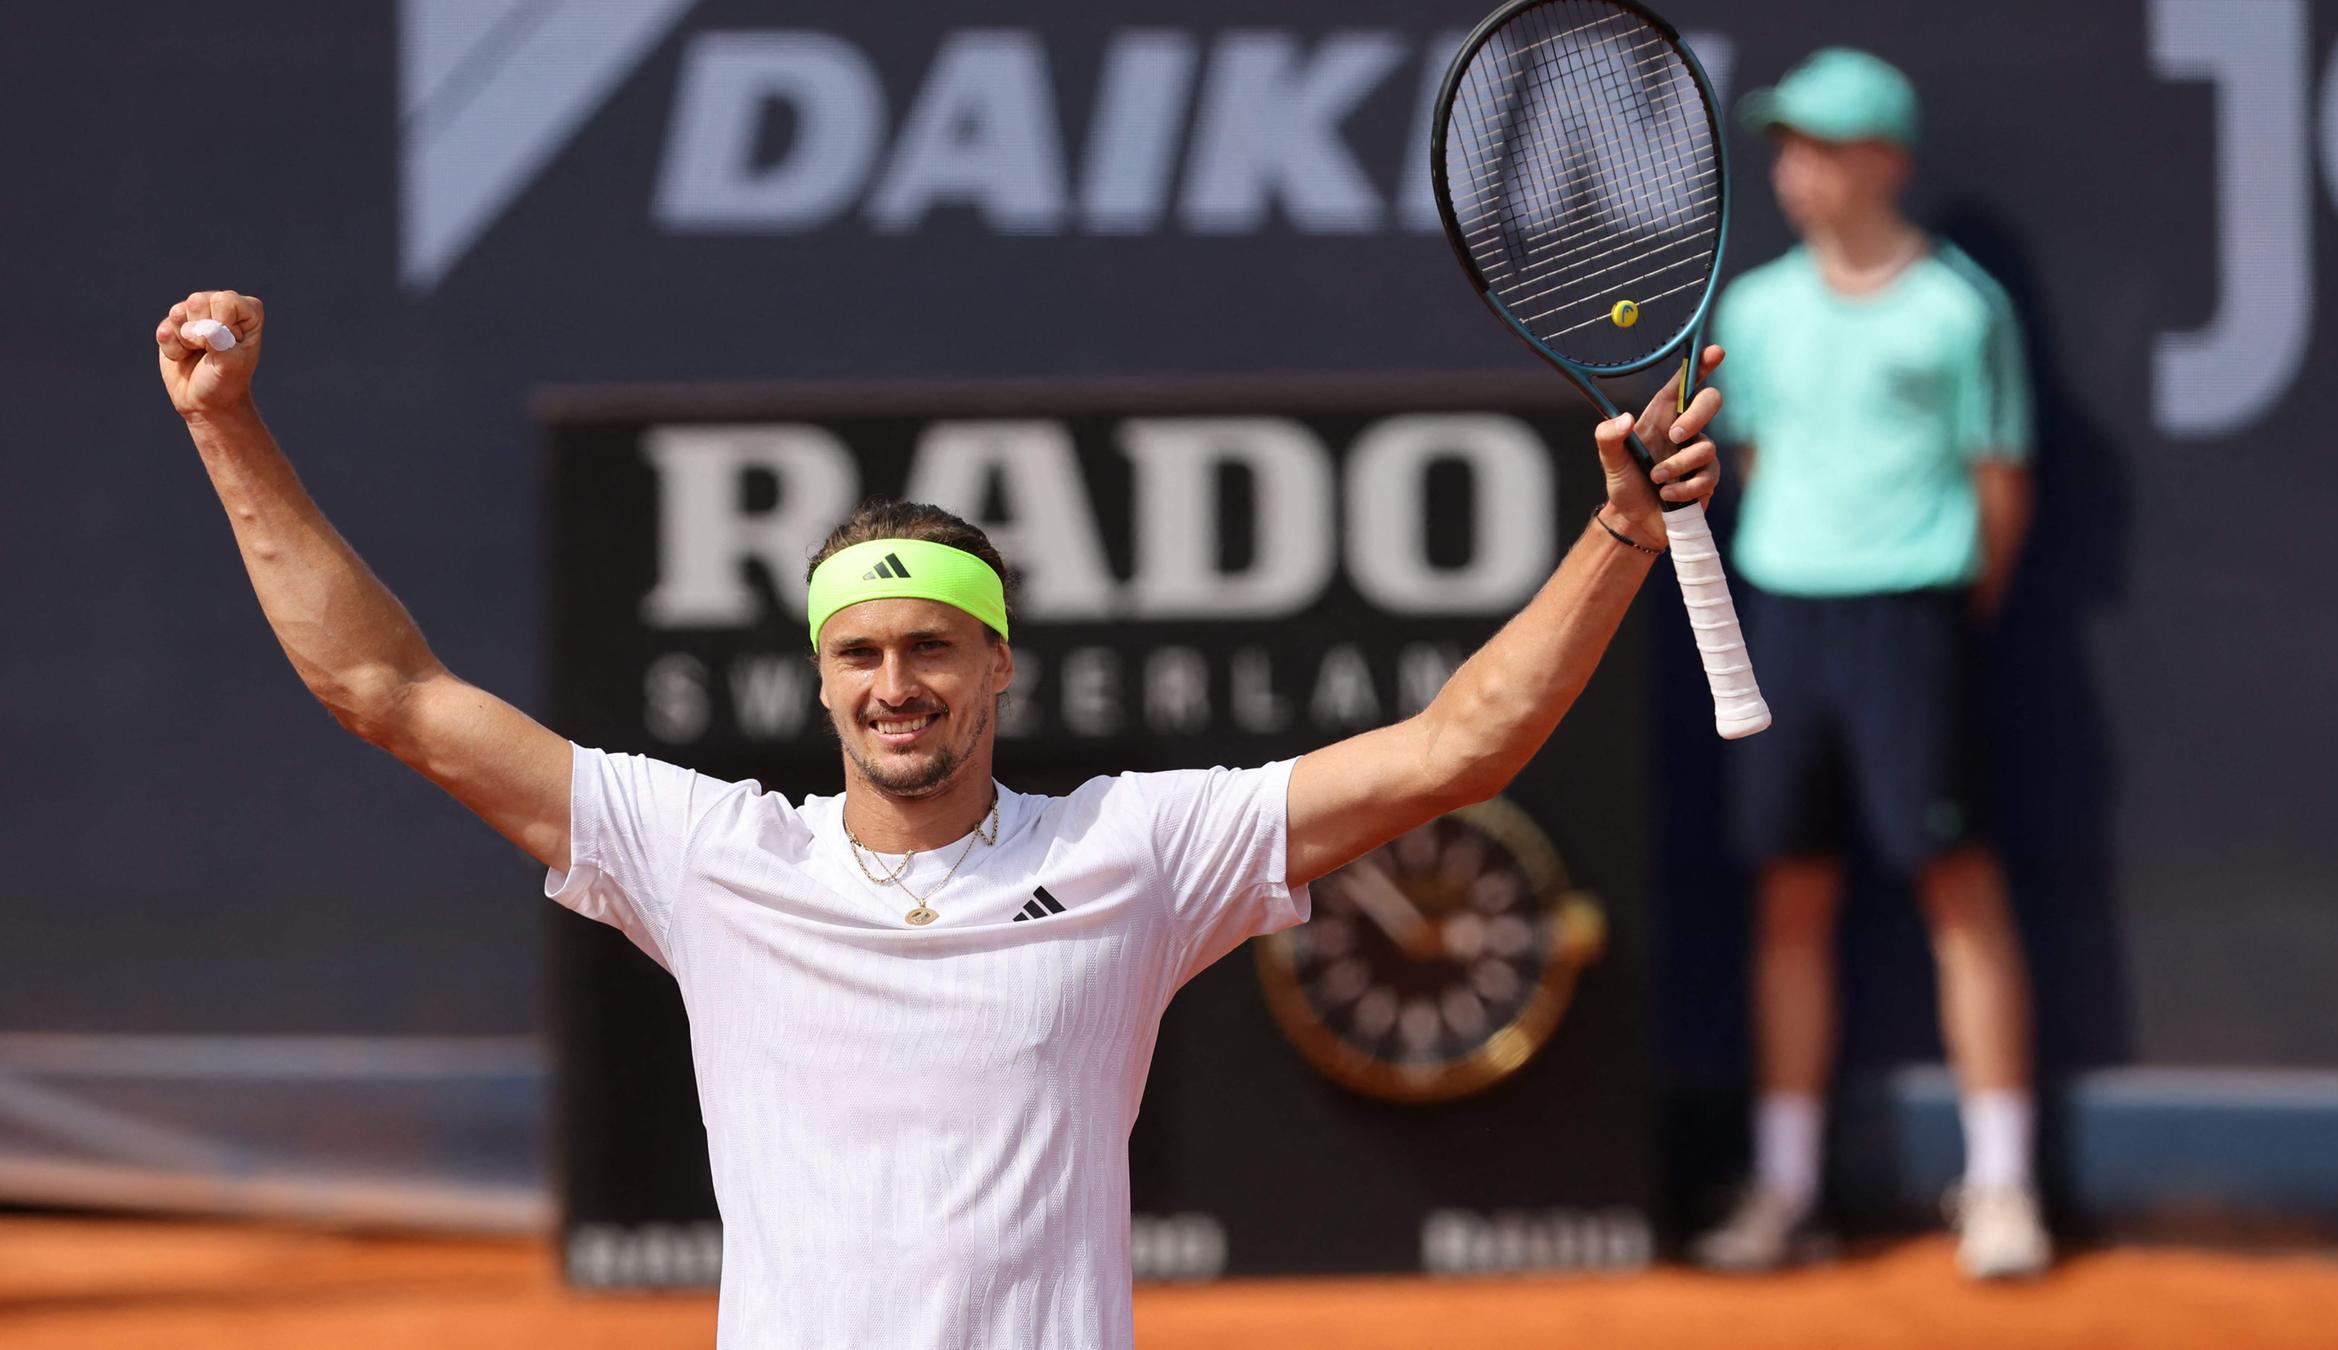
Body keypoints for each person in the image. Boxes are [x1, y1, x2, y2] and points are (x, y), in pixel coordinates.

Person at [155, 290, 1725, 1348]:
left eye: (931, 647)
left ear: (996, 666)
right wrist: (227, 428)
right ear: (823, 682)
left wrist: (1618, 532)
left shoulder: (1130, 850)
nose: (897, 681)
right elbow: (386, 689)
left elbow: (1459, 747)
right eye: (863, 653)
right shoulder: (709, 854)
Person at [1690, 49, 2048, 1281]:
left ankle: (2001, 1187)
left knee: (1959, 889)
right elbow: (1756, 467)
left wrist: (1941, 605)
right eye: (1789, 145)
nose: (1800, 169)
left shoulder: (1962, 310)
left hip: (1913, 621)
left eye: (1828, 146)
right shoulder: (1752, 314)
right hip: (1788, 620)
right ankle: (1785, 1188)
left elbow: (1999, 485)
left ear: (1887, 160)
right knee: (1789, 897)